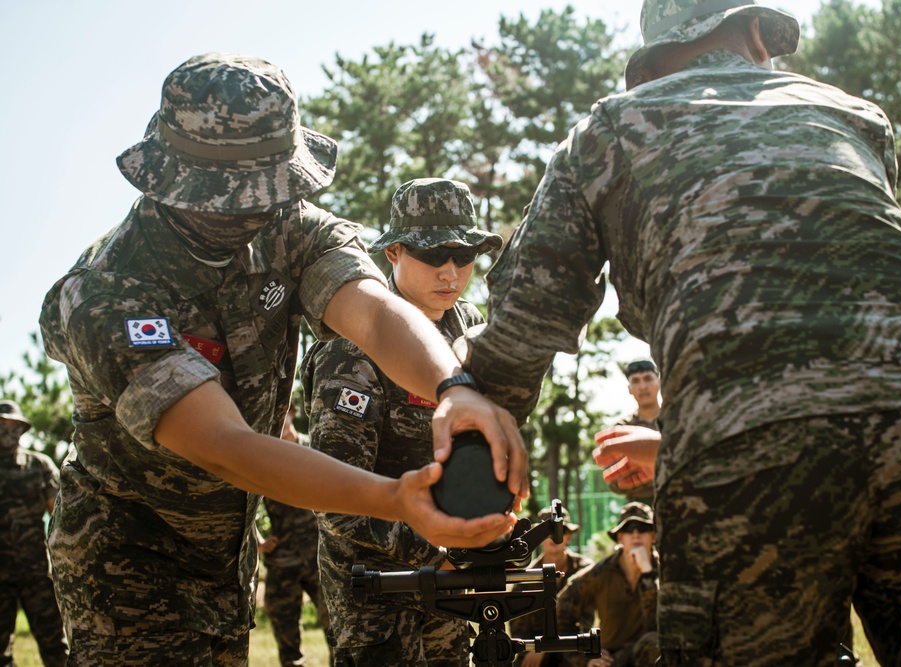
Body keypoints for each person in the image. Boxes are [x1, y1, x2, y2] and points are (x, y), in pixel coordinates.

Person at [458, 0, 901, 664]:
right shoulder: (854, 114)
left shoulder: (614, 126)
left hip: (749, 445)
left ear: (652, 64)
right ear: (755, 32)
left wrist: (470, 461)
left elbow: (525, 322)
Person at [37, 53, 526, 665]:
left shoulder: (286, 224)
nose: (258, 208)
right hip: (129, 567)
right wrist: (395, 500)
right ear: (175, 179)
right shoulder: (108, 293)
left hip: (228, 554)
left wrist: (453, 387)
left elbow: (372, 311)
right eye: (236, 194)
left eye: (270, 189)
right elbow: (224, 444)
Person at [300, 177, 502, 666]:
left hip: (450, 578)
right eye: (433, 256)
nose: (451, 272)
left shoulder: (472, 331)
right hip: (376, 591)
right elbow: (335, 497)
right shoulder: (351, 347)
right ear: (392, 253)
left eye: (464, 255)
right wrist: (436, 555)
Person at [257, 407, 331, 667]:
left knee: (336, 629)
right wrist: (258, 540)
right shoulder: (263, 460)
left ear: (291, 416)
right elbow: (240, 497)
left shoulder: (314, 450)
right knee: (286, 637)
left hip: (320, 557)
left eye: (286, 413)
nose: (282, 420)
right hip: (282, 561)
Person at [0, 400, 68, 667]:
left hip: (37, 572)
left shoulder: (39, 465)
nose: (7, 430)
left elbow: (59, 518)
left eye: (12, 425)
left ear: (22, 429)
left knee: (55, 646)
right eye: (1, 425)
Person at [553, 503, 658, 667]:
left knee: (656, 643)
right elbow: (561, 611)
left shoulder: (667, 572)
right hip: (612, 659)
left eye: (643, 528)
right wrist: (585, 656)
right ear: (620, 537)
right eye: (629, 530)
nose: (636, 535)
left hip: (654, 657)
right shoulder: (600, 573)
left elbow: (661, 622)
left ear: (654, 536)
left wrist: (647, 573)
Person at [510, 507, 593, 667]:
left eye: (559, 531)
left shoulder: (584, 571)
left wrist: (548, 646)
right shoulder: (526, 577)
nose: (553, 538)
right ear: (539, 538)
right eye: (547, 532)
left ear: (568, 536)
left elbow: (587, 619)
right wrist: (537, 648)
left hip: (577, 647)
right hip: (536, 652)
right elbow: (518, 629)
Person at [601, 360, 660, 504]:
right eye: (636, 381)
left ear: (659, 382)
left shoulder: (676, 420)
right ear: (629, 388)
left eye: (648, 378)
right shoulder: (621, 430)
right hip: (638, 506)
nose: (643, 386)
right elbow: (615, 481)